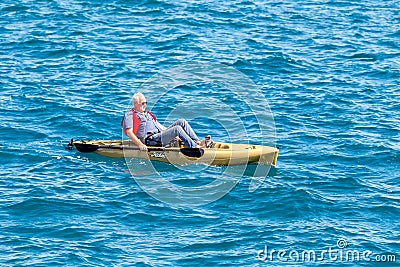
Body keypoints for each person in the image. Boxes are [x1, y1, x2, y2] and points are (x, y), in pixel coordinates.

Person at [121, 92, 204, 152]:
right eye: (142, 103)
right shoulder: (130, 115)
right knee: (177, 129)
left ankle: (196, 141)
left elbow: (160, 127)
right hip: (150, 140)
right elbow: (129, 132)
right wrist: (140, 145)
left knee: (181, 122)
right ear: (135, 104)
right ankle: (194, 147)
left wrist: (172, 134)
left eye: (145, 103)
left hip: (159, 135)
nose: (144, 105)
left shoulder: (148, 114)